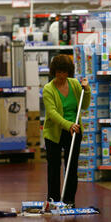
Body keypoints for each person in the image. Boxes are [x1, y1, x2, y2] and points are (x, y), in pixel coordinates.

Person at [43, 54, 91, 206]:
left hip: (74, 130)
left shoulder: (74, 84)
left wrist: (87, 90)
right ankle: (53, 200)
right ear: (54, 71)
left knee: (71, 167)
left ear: (69, 71)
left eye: (64, 72)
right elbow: (52, 113)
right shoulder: (48, 89)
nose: (62, 75)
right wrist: (67, 125)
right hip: (54, 133)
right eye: (58, 72)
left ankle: (69, 200)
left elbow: (84, 105)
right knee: (54, 167)